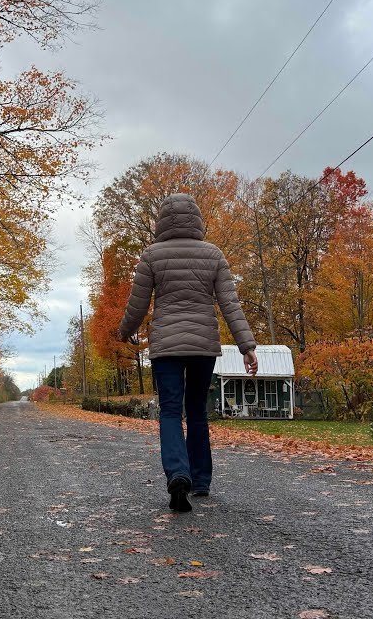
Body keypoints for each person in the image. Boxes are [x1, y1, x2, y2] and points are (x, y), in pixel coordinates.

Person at [118, 194, 257, 512]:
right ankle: (201, 481)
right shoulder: (213, 255)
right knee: (196, 412)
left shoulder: (151, 255)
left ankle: (178, 474)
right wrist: (246, 347)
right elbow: (230, 304)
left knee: (169, 412)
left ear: (162, 221)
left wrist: (124, 332)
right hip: (202, 346)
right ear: (196, 219)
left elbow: (136, 305)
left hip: (166, 348)